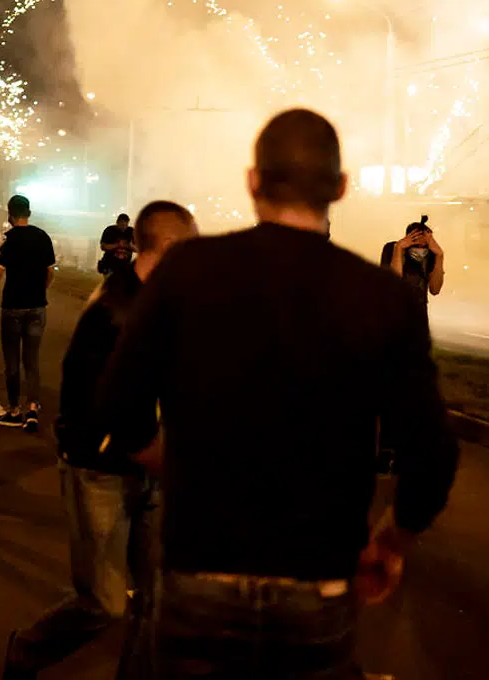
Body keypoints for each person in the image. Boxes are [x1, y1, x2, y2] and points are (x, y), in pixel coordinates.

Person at [97, 109, 459, 677]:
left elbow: (118, 405)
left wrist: (178, 469)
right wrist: (390, 543)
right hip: (319, 585)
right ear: (340, 188)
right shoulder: (379, 296)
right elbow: (433, 454)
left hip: (199, 579)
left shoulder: (187, 270)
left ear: (252, 181)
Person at [3, 200, 196, 679]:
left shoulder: (165, 303)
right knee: (105, 604)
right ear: (169, 247)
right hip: (101, 471)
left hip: (147, 468)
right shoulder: (115, 309)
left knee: (157, 600)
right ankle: (27, 652)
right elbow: (99, 407)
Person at [0, 194, 56, 432]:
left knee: (12, 360)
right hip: (37, 307)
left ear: (10, 215)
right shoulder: (42, 237)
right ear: (29, 213)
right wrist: (40, 290)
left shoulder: (7, 240)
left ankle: (14, 410)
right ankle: (33, 407)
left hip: (13, 307)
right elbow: (50, 272)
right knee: (32, 360)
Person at [380, 216, 445, 304]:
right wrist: (398, 249)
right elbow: (392, 284)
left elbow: (435, 290)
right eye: (416, 244)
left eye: (424, 245)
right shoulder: (392, 248)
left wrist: (440, 255)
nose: (420, 249)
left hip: (419, 310)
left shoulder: (430, 254)